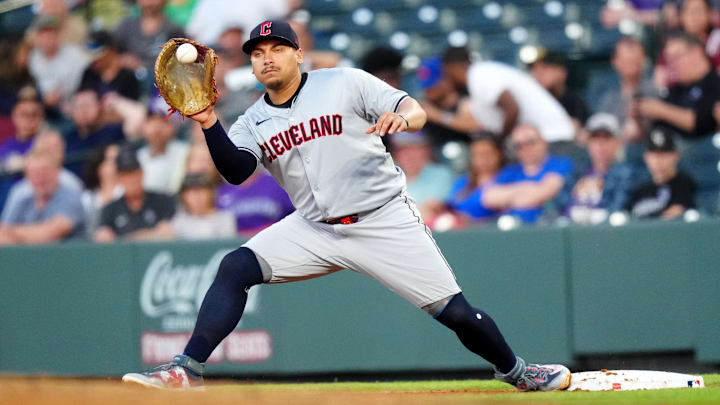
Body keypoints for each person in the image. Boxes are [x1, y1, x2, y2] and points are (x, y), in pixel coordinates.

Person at [122, 20, 571, 391]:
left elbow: (414, 109)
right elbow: (236, 171)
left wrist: (405, 119)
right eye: (258, 53)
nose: (267, 57)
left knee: (454, 311)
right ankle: (187, 369)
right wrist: (208, 123)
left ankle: (517, 371)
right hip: (314, 228)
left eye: (277, 48)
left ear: (298, 54)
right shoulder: (253, 119)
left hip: (383, 219)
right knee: (236, 267)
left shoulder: (345, 81)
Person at [443, 47, 575, 143]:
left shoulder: (478, 74)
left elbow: (512, 109)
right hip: (549, 138)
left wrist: (499, 140)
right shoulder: (482, 72)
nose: (448, 78)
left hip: (553, 138)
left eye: (447, 73)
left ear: (452, 67)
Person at [483, 124, 573, 224]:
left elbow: (545, 192)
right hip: (513, 229)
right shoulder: (510, 171)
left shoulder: (560, 163)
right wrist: (530, 189)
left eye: (530, 142)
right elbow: (489, 198)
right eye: (519, 146)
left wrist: (508, 198)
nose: (526, 149)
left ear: (543, 142)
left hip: (546, 227)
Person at [562, 113, 636, 225]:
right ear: (588, 143)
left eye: (606, 138)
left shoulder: (626, 174)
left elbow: (618, 207)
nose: (600, 145)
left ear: (617, 142)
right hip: (574, 231)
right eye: (595, 139)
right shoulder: (577, 172)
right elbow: (562, 206)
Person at [0, 149, 86, 244]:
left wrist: (13, 233)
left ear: (57, 171)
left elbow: (50, 234)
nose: (39, 178)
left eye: (44, 172)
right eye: (34, 173)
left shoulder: (70, 197)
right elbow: (3, 234)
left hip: (67, 257)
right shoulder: (23, 200)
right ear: (27, 176)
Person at [94, 146, 176, 242]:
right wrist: (148, 234)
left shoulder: (162, 200)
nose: (131, 179)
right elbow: (104, 238)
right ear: (119, 179)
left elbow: (168, 232)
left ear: (141, 173)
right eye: (126, 175)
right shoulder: (110, 209)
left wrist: (124, 239)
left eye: (134, 173)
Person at [626, 127, 696, 218]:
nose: (658, 161)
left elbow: (676, 213)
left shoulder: (684, 183)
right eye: (654, 154)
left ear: (676, 156)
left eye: (663, 154)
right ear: (646, 157)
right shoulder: (640, 189)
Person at [389, 131, 456, 221]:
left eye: (413, 149)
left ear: (425, 151)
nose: (408, 156)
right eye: (402, 150)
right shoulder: (390, 178)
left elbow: (434, 208)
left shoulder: (442, 174)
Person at [445, 132, 504, 223]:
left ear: (499, 154)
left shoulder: (509, 177)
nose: (483, 159)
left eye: (487, 153)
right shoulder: (463, 181)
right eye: (477, 154)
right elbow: (451, 207)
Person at [137, 111, 189, 194]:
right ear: (144, 127)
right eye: (152, 122)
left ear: (173, 127)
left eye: (163, 122)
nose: (157, 129)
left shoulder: (185, 152)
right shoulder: (139, 156)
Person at [172, 172, 237, 239]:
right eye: (191, 192)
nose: (197, 197)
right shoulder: (178, 221)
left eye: (202, 191)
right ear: (183, 196)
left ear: (211, 193)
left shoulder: (224, 218)